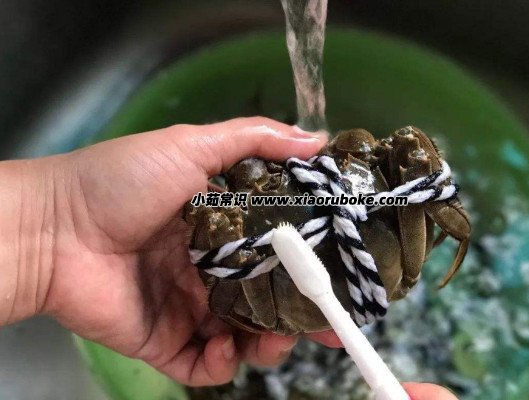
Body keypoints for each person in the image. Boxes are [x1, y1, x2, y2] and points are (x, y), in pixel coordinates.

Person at [0, 117, 458, 400]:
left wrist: (59, 217)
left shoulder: (244, 213)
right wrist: (64, 217)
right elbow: (424, 178)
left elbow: (220, 275)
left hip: (274, 310)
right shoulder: (373, 184)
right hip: (380, 284)